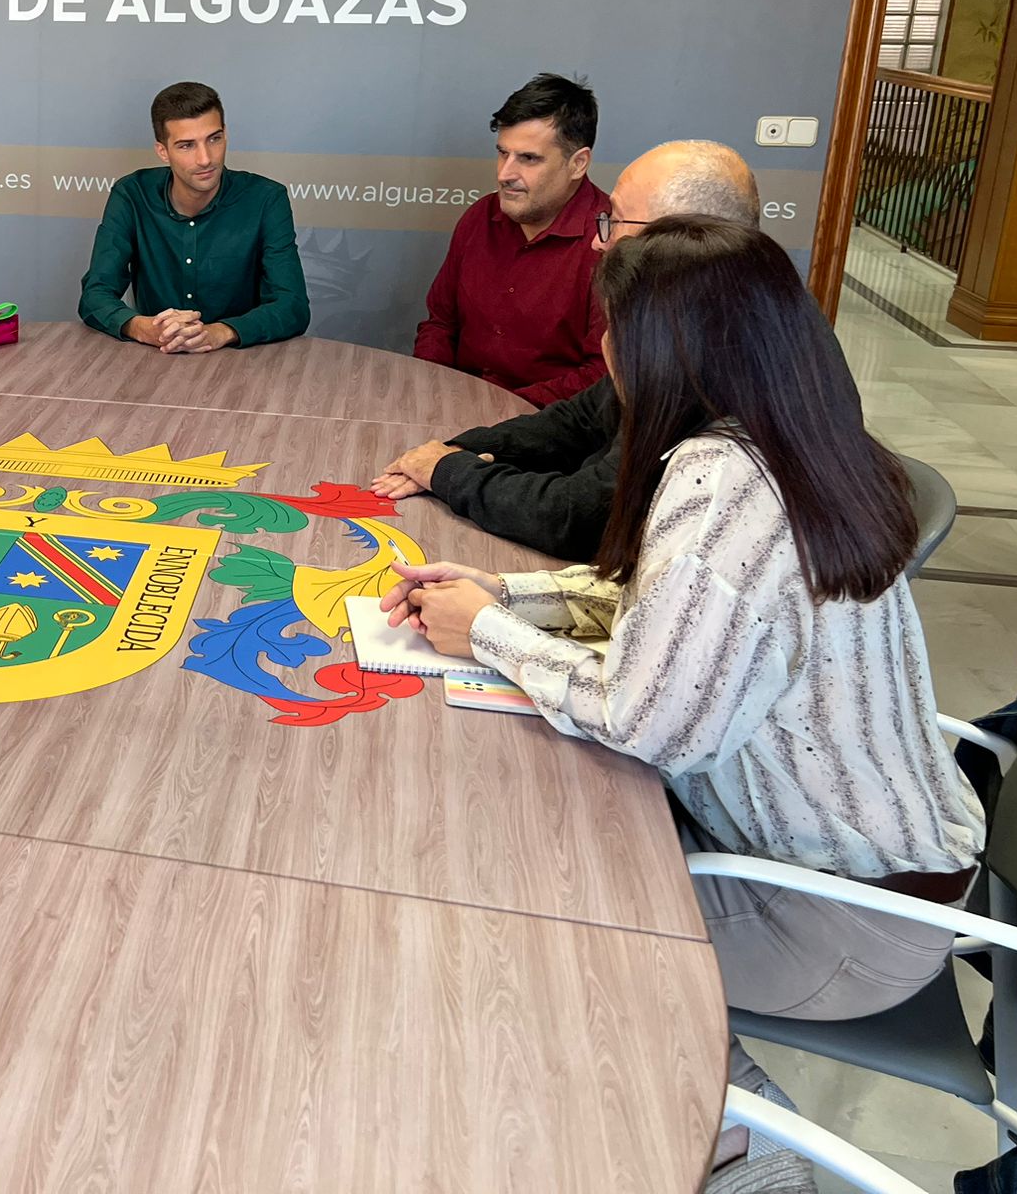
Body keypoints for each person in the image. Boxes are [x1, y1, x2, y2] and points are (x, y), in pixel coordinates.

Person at [383, 218, 984, 1188]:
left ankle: (738, 1140)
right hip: (897, 863)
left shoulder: (718, 489)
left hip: (838, 917)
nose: (604, 354)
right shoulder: (791, 434)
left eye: (612, 330)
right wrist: (506, 596)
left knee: (533, 921)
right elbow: (658, 613)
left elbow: (648, 717)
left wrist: (484, 636)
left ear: (659, 350)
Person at [375, 140, 761, 560]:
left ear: (682, 235)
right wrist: (455, 451)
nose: (599, 241)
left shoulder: (714, 353)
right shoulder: (711, 309)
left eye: (616, 219)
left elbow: (581, 517)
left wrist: (448, 471)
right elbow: (580, 419)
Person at [412, 73, 609, 404]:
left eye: (528, 158)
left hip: (548, 431)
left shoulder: (610, 241)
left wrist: (501, 413)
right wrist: (430, 393)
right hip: (453, 412)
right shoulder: (479, 218)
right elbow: (440, 325)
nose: (505, 174)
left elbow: (602, 374)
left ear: (578, 164)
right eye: (503, 153)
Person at [78, 80, 309, 352]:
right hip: (156, 358)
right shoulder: (132, 195)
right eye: (186, 145)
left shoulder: (266, 199)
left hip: (242, 362)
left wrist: (219, 332)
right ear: (163, 151)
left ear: (226, 135)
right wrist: (145, 328)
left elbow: (292, 306)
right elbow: (95, 294)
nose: (205, 159)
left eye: (214, 139)